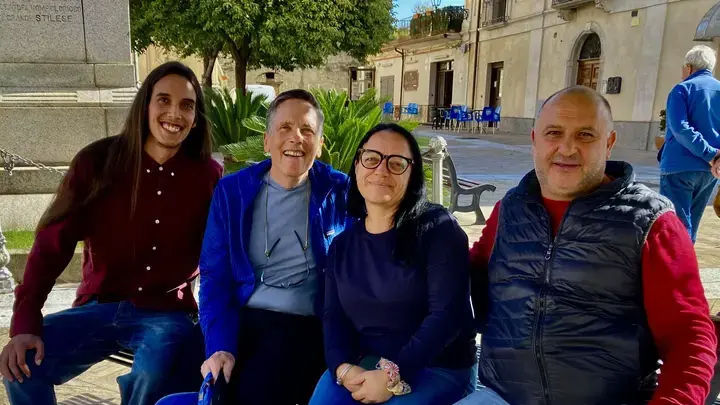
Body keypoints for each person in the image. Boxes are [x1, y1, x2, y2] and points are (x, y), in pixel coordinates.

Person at [457, 86, 717, 405]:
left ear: (609, 143)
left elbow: (689, 338)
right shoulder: (510, 208)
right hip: (503, 396)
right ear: (535, 140)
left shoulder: (651, 223)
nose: (567, 148)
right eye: (554, 133)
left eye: (585, 135)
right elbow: (465, 281)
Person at [1, 61, 222, 405]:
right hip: (98, 306)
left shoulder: (209, 177)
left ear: (196, 118)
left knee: (154, 369)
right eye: (163, 100)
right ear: (145, 105)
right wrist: (26, 322)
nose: (174, 113)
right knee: (21, 364)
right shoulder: (97, 162)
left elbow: (221, 256)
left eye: (187, 105)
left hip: (166, 313)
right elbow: (51, 246)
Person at [198, 89, 351, 405]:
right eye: (285, 128)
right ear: (267, 142)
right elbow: (215, 278)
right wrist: (220, 347)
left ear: (319, 145)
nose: (296, 137)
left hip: (312, 325)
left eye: (307, 130)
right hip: (247, 320)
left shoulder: (340, 191)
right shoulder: (233, 192)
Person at [308, 123, 478, 405]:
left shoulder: (438, 229)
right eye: (372, 159)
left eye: (396, 163)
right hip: (366, 364)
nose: (381, 170)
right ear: (358, 166)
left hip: (436, 366)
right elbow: (333, 318)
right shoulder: (342, 245)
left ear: (412, 175)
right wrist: (343, 367)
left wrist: (392, 375)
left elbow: (446, 316)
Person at [659, 45, 720, 243]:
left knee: (675, 225)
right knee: (691, 224)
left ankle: (676, 271)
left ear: (689, 66)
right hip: (709, 171)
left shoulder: (682, 89)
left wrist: (710, 153)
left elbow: (680, 128)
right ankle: (686, 268)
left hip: (679, 166)